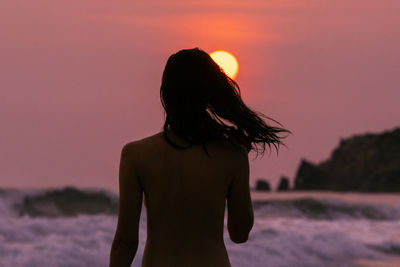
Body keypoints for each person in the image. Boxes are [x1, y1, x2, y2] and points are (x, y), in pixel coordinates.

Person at [109, 48, 291, 267]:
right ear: (208, 96)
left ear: (166, 93)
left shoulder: (135, 155)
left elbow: (125, 243)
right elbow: (240, 234)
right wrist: (241, 156)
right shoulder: (232, 155)